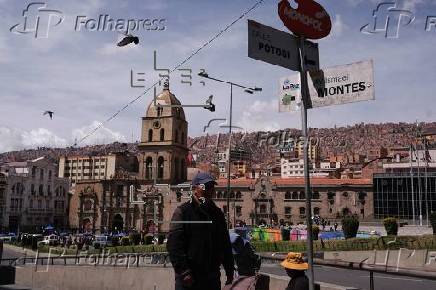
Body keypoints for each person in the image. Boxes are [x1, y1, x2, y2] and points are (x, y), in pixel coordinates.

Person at [167, 172, 234, 290]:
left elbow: (225, 244)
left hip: (212, 278)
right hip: (189, 278)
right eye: (205, 187)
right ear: (195, 189)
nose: (209, 190)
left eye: (211, 187)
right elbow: (174, 245)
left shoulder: (217, 214)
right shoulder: (182, 212)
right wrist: (184, 272)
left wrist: (229, 270)